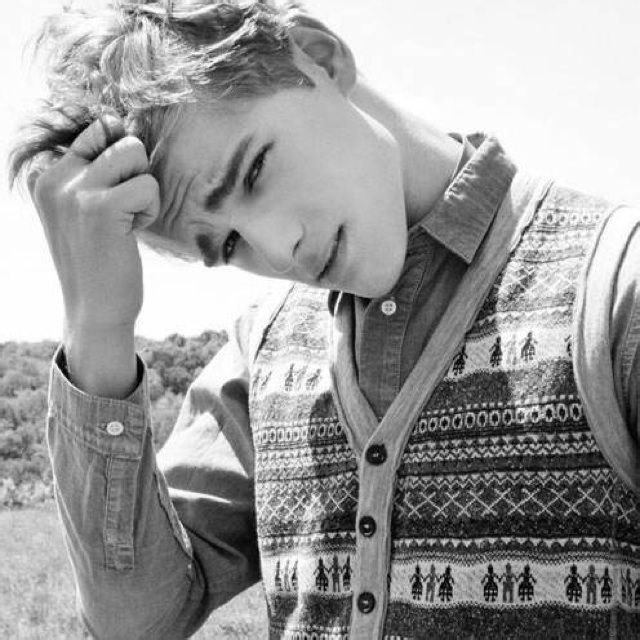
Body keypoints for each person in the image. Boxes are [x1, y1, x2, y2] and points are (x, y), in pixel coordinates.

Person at [8, 1, 640, 638]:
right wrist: (97, 327)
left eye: (254, 170)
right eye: (228, 245)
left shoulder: (616, 289)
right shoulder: (261, 352)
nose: (281, 252)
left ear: (320, 57)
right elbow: (136, 621)